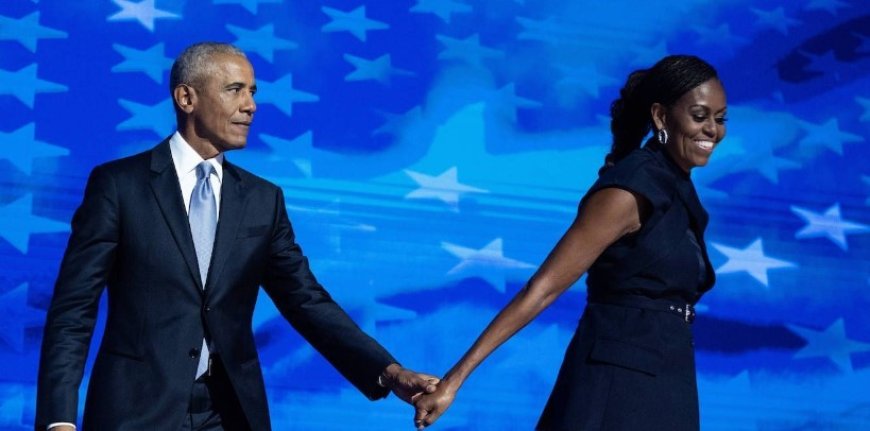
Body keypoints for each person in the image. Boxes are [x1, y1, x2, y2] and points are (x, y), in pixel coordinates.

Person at [35, 42, 437, 431]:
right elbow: (74, 310)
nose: (251, 106)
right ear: (186, 98)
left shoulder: (263, 199)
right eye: (234, 90)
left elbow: (306, 302)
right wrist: (59, 418)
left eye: (253, 91)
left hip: (230, 413)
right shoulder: (119, 186)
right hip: (136, 412)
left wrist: (389, 371)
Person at [413, 55, 726, 430]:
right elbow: (542, 289)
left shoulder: (674, 184)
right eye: (700, 116)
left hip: (667, 373)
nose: (712, 130)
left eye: (720, 119)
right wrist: (455, 379)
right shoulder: (630, 189)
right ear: (661, 117)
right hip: (620, 382)